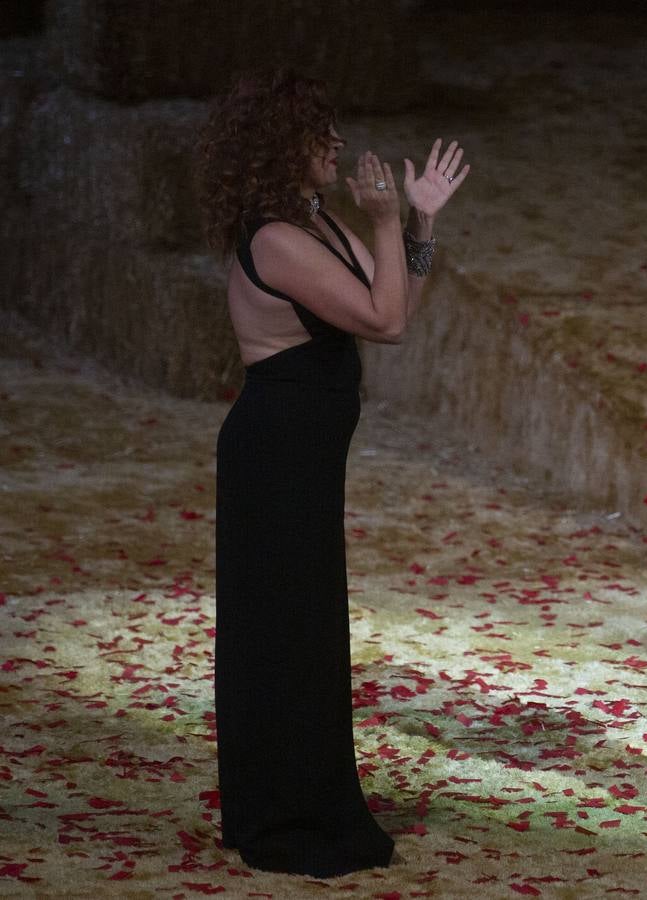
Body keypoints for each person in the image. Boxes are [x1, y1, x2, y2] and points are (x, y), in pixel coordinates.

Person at [196, 69, 469, 877]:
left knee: (308, 628)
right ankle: (284, 812)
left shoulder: (309, 221)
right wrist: (386, 219)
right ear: (287, 147)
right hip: (274, 457)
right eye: (323, 133)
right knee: (284, 631)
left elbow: (397, 309)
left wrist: (415, 220)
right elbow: (384, 321)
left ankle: (302, 794)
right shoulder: (277, 240)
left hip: (305, 460)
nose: (340, 146)